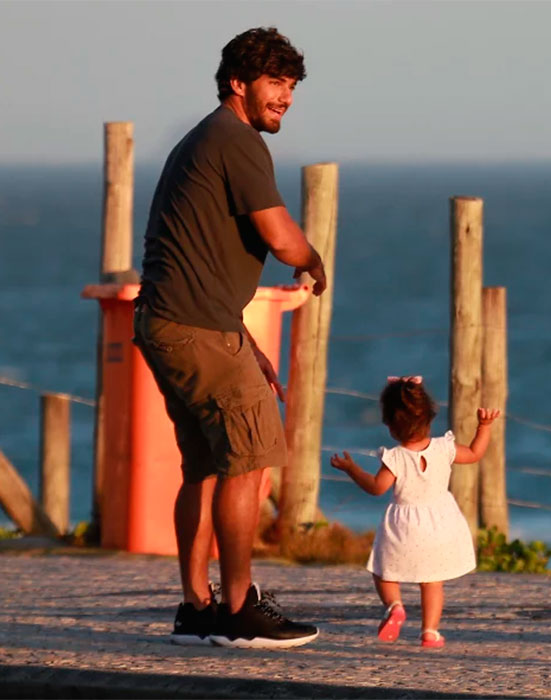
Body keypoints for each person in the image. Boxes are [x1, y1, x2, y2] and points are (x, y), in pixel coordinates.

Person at [133, 27, 326, 649]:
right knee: (250, 460)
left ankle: (197, 607)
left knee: (207, 467)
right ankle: (240, 610)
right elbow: (281, 236)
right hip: (197, 329)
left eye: (292, 86)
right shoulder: (236, 140)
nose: (286, 97)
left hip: (171, 321)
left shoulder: (202, 142)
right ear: (237, 84)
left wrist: (242, 338)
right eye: (275, 83)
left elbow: (194, 256)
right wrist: (314, 259)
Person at [329, 376, 497, 648]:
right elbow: (476, 453)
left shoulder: (394, 458)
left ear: (391, 427)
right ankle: (430, 632)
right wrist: (484, 426)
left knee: (384, 573)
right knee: (432, 582)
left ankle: (395, 606)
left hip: (404, 526)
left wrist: (352, 469)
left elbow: (376, 488)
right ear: (430, 416)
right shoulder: (445, 448)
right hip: (440, 523)